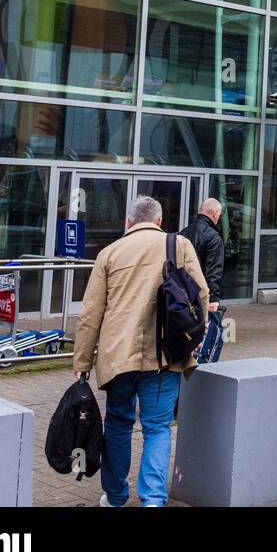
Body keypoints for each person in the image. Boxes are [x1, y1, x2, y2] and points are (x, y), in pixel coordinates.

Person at [73, 196, 209, 508]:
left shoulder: (109, 253)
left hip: (117, 357)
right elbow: (201, 293)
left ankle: (117, 496)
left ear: (128, 223)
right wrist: (192, 339)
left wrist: (82, 362)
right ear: (159, 222)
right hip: (165, 356)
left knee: (118, 424)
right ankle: (152, 501)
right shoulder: (180, 245)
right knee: (158, 429)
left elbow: (90, 314)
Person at [180, 197, 226, 363]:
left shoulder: (182, 233)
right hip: (202, 297)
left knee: (185, 336)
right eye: (219, 215)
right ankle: (202, 372)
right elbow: (213, 271)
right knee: (210, 339)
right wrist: (213, 299)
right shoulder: (214, 238)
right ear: (214, 214)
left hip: (181, 295)